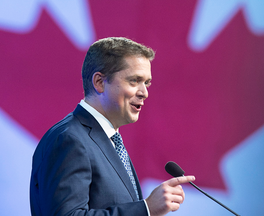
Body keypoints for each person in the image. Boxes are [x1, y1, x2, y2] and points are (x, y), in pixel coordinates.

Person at [30, 37, 195, 216]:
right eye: (134, 81)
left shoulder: (107, 140)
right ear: (100, 82)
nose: (144, 93)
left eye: (146, 83)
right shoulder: (70, 139)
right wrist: (145, 209)